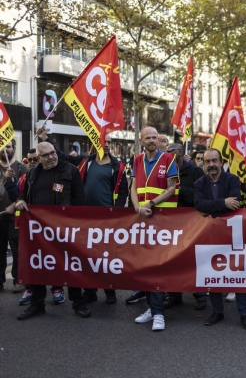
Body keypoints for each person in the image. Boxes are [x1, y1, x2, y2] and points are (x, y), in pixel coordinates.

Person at [37, 126, 128, 305]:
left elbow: (123, 191)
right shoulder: (85, 161)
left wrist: (116, 213)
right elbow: (62, 156)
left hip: (107, 219)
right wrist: (46, 138)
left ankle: (110, 291)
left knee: (107, 257)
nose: (107, 144)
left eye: (110, 142)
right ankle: (90, 291)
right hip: (85, 218)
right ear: (96, 142)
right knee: (87, 256)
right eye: (104, 141)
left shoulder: (118, 166)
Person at [15, 142, 88, 320]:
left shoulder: (70, 170)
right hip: (39, 230)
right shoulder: (32, 172)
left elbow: (79, 199)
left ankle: (78, 303)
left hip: (64, 229)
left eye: (53, 153)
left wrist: (77, 225)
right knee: (37, 265)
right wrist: (20, 201)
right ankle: (37, 304)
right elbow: (24, 194)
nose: (51, 157)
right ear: (39, 158)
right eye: (46, 155)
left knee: (70, 265)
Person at [194, 148, 246, 330]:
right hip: (211, 236)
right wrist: (222, 203)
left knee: (239, 274)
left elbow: (234, 203)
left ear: (221, 162)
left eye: (214, 161)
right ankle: (217, 311)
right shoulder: (199, 183)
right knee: (213, 273)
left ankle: (245, 314)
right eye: (207, 162)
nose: (211, 164)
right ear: (203, 164)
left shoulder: (233, 179)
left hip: (233, 235)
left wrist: (211, 207)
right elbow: (198, 204)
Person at [130, 127, 179, 332]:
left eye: (155, 137)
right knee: (146, 266)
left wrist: (150, 204)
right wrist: (137, 208)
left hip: (163, 220)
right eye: (148, 138)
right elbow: (133, 187)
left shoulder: (169, 159)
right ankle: (152, 308)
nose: (152, 140)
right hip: (144, 219)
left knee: (158, 266)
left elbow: (171, 188)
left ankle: (158, 313)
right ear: (141, 140)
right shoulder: (137, 160)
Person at [162, 142, 208, 311]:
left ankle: (200, 295)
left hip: (190, 222)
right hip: (171, 222)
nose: (168, 154)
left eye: (171, 151)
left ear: (181, 152)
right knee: (173, 260)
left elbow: (200, 195)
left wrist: (178, 191)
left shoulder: (194, 171)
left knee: (193, 259)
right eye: (167, 151)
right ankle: (175, 294)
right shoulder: (166, 170)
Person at [0, 139, 28, 293]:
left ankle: (18, 280)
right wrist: (4, 179)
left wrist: (14, 205)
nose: (5, 149)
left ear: (13, 149)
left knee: (17, 250)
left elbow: (25, 191)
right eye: (2, 147)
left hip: (14, 217)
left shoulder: (20, 167)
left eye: (8, 147)